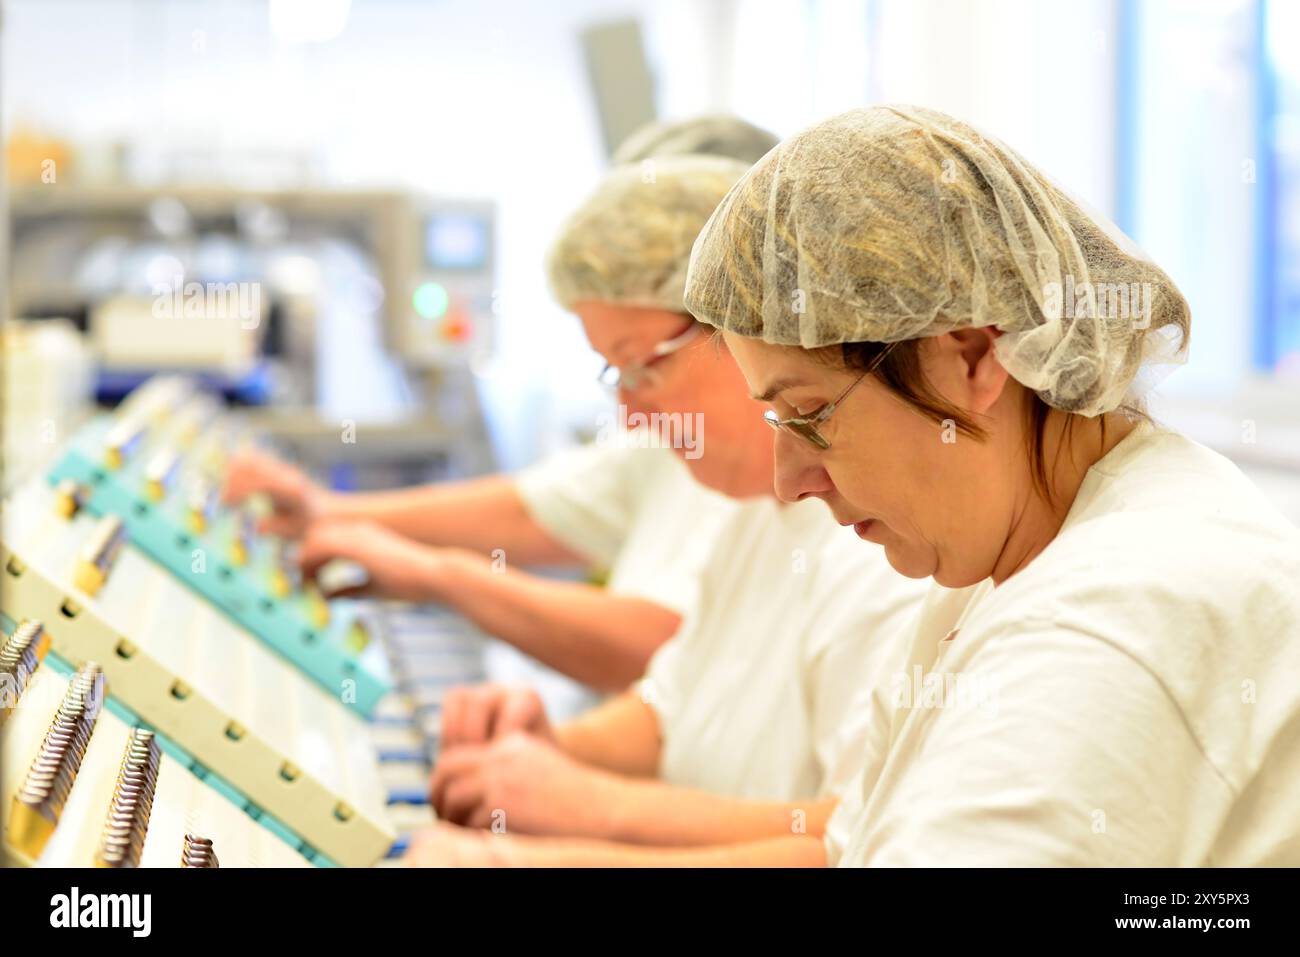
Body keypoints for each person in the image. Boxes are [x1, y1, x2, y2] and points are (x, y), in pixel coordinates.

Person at [674, 104, 1300, 866]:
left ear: (969, 357)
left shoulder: (1107, 622)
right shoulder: (1006, 565)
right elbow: (851, 849)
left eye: (807, 412)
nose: (789, 480)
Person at [402, 155, 926, 867]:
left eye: (641, 365)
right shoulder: (750, 507)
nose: (629, 406)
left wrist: (580, 815)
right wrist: (549, 748)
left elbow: (857, 840)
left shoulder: (889, 548)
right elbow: (670, 706)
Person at [221, 115, 780, 690]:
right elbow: (532, 507)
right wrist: (325, 512)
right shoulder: (690, 441)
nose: (631, 413)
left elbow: (668, 650)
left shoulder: (779, 475)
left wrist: (444, 580)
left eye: (642, 364)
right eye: (617, 371)